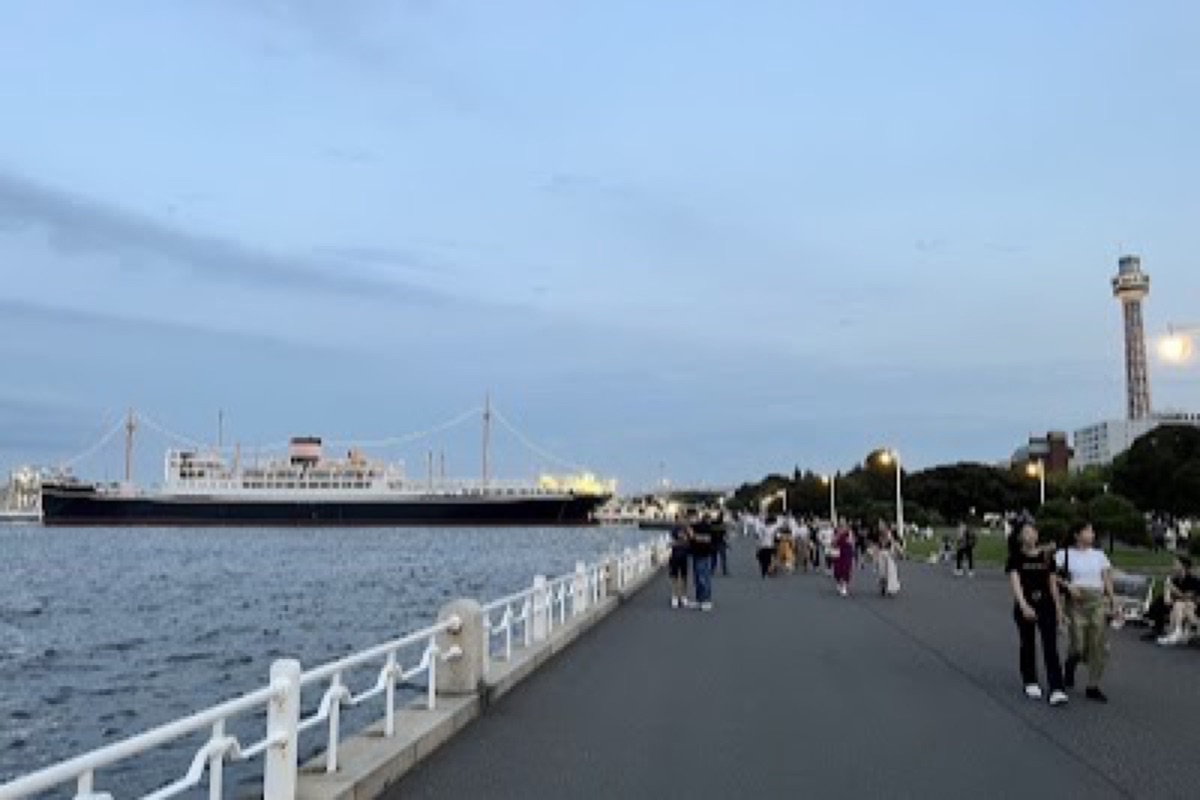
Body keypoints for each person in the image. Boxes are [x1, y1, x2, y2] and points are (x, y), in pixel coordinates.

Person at [1006, 524, 1067, 706]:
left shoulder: (1047, 557)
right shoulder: (1015, 558)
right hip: (1025, 604)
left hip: (1046, 605)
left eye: (1033, 532)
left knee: (1050, 646)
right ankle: (1030, 680)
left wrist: (1059, 610)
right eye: (1026, 532)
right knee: (1028, 643)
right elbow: (1016, 584)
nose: (1031, 535)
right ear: (1019, 537)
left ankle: (1056, 687)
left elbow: (1053, 585)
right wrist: (1024, 606)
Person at [1055, 522, 1116, 702]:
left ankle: (1093, 686)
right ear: (1077, 535)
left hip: (1096, 601)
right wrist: (1068, 586)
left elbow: (1106, 577)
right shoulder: (1064, 554)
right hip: (1076, 602)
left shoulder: (1099, 555)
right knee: (1078, 645)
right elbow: (1052, 576)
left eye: (1092, 531)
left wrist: (1113, 599)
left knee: (1098, 644)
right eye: (1088, 531)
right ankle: (1071, 663)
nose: (1092, 534)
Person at [1158, 555, 1199, 646]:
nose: (1173, 566)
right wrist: (1167, 590)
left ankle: (1176, 633)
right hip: (1181, 608)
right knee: (1177, 606)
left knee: (1180, 605)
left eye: (1176, 564)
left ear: (1183, 566)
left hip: (1193, 607)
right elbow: (1167, 601)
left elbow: (1188, 597)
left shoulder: (1193, 580)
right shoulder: (1175, 580)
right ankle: (1176, 633)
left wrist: (1173, 589)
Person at [689, 515, 715, 611]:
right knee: (697, 578)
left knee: (703, 578)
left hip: (703, 555)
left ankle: (706, 601)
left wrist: (693, 536)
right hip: (696, 555)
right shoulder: (693, 527)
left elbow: (707, 539)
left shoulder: (705, 527)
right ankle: (699, 600)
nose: (690, 520)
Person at [667, 520, 692, 609]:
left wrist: (680, 542)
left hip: (684, 557)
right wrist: (681, 542)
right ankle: (674, 596)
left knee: (684, 577)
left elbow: (689, 543)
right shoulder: (674, 530)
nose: (682, 520)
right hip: (674, 557)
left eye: (683, 518)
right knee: (674, 577)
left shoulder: (688, 530)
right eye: (679, 518)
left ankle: (683, 596)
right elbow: (670, 544)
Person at [833, 524, 855, 597]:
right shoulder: (837, 534)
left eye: (845, 527)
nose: (843, 529)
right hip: (838, 553)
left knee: (846, 569)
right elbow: (833, 543)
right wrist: (837, 536)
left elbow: (852, 543)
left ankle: (844, 586)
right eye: (842, 527)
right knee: (838, 570)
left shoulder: (849, 534)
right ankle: (839, 583)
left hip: (847, 553)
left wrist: (850, 540)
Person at [755, 514, 776, 578]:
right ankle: (764, 571)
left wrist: (774, 544)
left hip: (770, 546)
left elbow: (774, 537)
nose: (769, 523)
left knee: (768, 560)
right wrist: (758, 547)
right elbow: (759, 537)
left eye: (770, 522)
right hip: (763, 546)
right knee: (762, 560)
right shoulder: (762, 528)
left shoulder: (773, 529)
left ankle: (768, 571)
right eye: (768, 522)